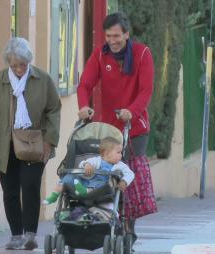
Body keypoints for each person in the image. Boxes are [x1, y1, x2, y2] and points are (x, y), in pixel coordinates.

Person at [76, 12, 157, 246]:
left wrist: (132, 110)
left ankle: (129, 226)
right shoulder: (101, 55)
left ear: (126, 34)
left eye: (117, 36)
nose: (112, 41)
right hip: (110, 128)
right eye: (109, 36)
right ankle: (110, 218)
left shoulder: (142, 54)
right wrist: (83, 106)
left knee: (128, 173)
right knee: (108, 173)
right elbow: (86, 84)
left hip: (135, 126)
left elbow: (146, 90)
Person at [0, 37, 61, 250]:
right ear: (8, 64)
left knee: (30, 186)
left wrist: (49, 141)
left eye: (23, 65)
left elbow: (53, 109)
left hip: (35, 144)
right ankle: (16, 235)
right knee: (11, 191)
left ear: (29, 61)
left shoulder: (42, 79)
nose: (19, 69)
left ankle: (30, 234)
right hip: (4, 145)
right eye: (14, 66)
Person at [43, 136, 135, 204]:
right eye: (118, 152)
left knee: (102, 183)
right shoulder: (96, 160)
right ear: (107, 153)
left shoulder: (120, 165)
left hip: (101, 188)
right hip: (85, 181)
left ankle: (84, 191)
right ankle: (54, 195)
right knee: (68, 177)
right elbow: (84, 163)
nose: (121, 155)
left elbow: (130, 173)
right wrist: (87, 165)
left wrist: (124, 181)